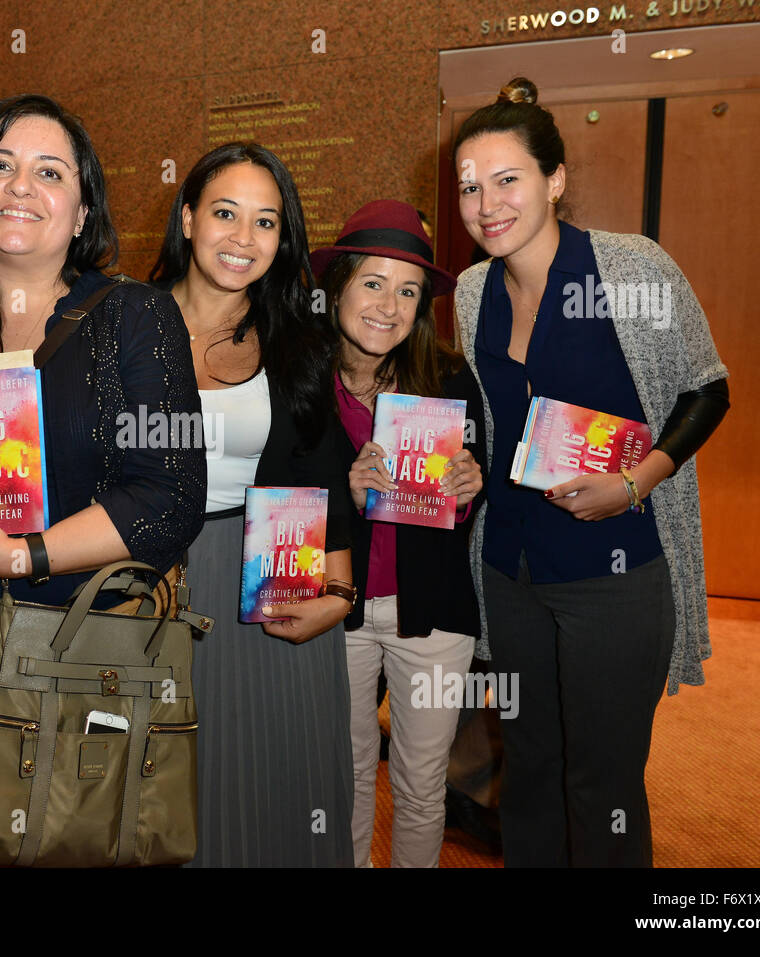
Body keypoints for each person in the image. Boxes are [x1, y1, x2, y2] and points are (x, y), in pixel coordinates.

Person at [451, 77, 730, 867]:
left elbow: (708, 387)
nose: (486, 204)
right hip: (508, 572)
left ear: (555, 180)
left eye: (507, 179)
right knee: (529, 768)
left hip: (615, 572)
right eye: (470, 187)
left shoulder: (628, 267)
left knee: (601, 783)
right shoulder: (473, 292)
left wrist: (638, 480)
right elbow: (492, 420)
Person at [0, 94, 206, 740]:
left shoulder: (138, 317)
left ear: (83, 211)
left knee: (88, 829)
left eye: (51, 171)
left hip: (95, 637)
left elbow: (170, 498)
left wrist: (15, 556)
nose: (21, 185)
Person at [148, 142, 356, 866]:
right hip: (149, 581)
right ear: (187, 217)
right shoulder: (122, 324)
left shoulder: (298, 341)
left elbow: (325, 473)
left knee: (282, 788)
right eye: (226, 213)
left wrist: (339, 591)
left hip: (271, 581)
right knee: (166, 792)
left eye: (265, 222)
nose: (243, 238)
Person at [314, 200, 486, 867]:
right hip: (338, 611)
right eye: (374, 282)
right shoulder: (304, 383)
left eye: (408, 289)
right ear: (339, 288)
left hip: (434, 613)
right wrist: (349, 498)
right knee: (346, 775)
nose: (390, 304)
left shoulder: (447, 378)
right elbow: (281, 496)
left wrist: (471, 485)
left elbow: (478, 482)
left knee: (420, 785)